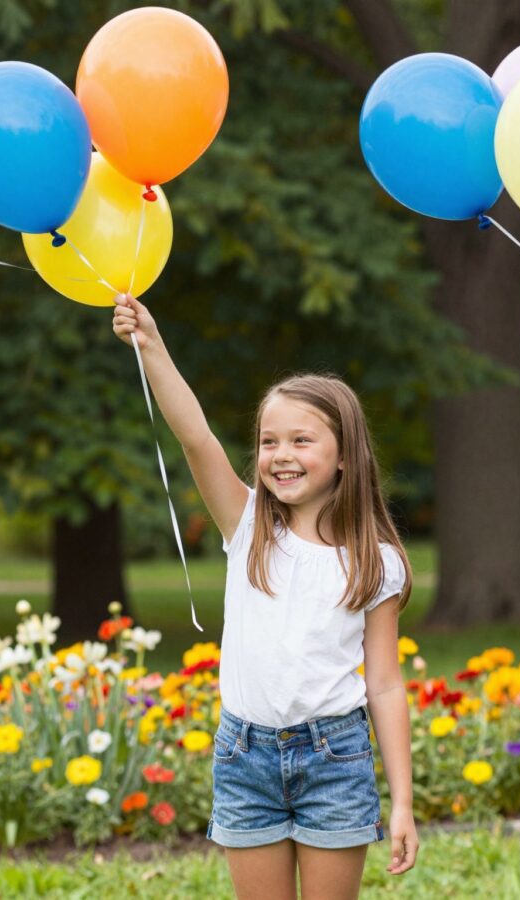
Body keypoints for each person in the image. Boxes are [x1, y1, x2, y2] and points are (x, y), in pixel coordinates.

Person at [113, 294, 418, 899]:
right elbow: (196, 436)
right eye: (270, 441)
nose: (281, 456)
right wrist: (150, 343)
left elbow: (383, 683)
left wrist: (403, 799)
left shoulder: (376, 561)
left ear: (342, 457)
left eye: (302, 441)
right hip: (244, 757)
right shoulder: (249, 525)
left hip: (336, 760)